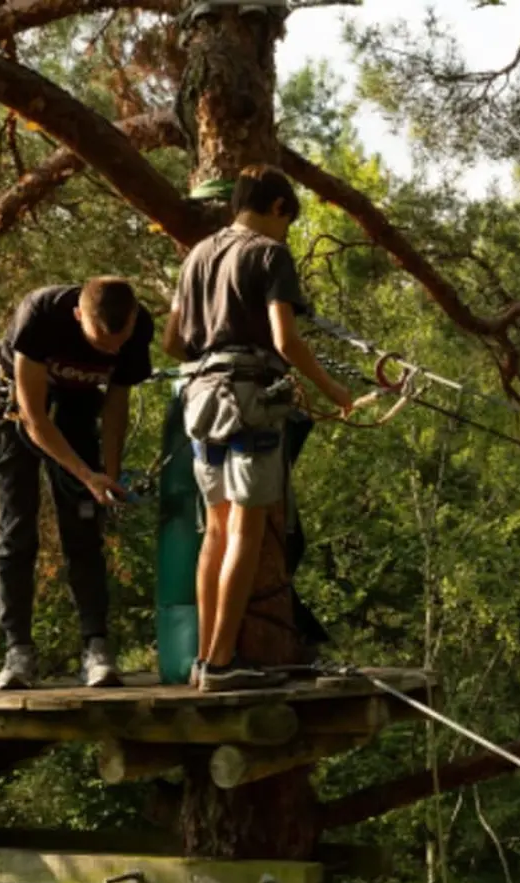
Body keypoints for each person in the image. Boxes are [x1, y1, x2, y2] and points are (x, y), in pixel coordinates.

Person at [163, 164, 352, 693]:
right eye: (287, 221)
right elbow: (286, 340)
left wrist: (213, 349)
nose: (286, 231)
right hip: (248, 399)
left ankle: (204, 659)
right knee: (245, 530)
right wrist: (332, 390)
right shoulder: (270, 254)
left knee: (215, 531)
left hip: (200, 400)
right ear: (276, 208)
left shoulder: (196, 257)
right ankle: (222, 664)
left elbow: (172, 342)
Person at [0, 277, 154, 689]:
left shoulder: (138, 326)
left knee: (83, 527)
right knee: (16, 530)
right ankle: (18, 652)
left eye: (120, 341)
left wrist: (109, 478)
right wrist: (85, 473)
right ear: (79, 316)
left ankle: (96, 647)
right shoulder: (41, 314)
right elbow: (35, 421)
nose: (113, 351)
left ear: (133, 318)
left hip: (79, 407)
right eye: (102, 342)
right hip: (19, 408)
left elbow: (116, 408)